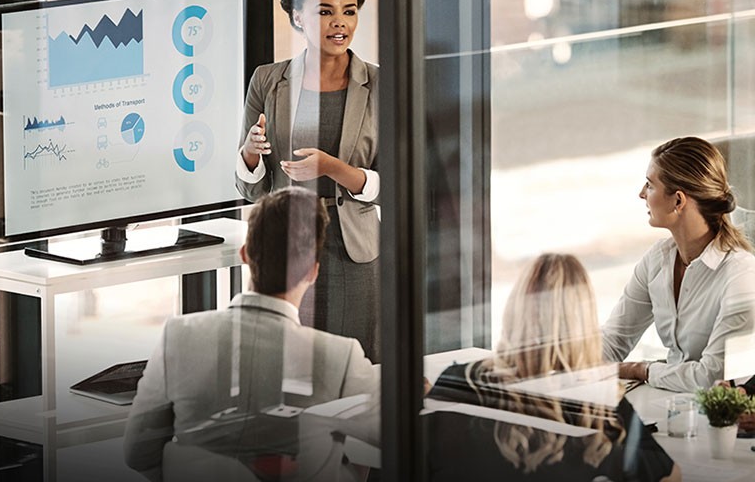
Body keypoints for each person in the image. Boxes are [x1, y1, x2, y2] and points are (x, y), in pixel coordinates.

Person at [123, 187, 379, 481]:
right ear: (312, 271)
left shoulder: (178, 336)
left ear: (245, 254)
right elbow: (397, 434)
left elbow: (138, 453)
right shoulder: (339, 357)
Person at [235, 0, 380, 361]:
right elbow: (251, 191)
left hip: (352, 250)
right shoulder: (268, 80)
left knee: (356, 364)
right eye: (324, 12)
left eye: (349, 11)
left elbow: (395, 184)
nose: (339, 23)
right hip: (286, 243)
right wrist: (249, 155)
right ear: (298, 16)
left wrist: (332, 168)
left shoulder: (380, 84)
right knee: (283, 366)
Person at [427, 254, 681, 482]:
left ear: (515, 310)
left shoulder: (461, 380)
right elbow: (669, 476)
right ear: (583, 325)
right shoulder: (601, 407)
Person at [602, 136, 755, 392]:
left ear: (678, 201)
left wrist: (642, 370)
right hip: (667, 403)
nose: (641, 194)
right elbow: (614, 339)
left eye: (650, 185)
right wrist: (561, 364)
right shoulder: (657, 260)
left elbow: (712, 378)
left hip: (721, 419)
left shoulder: (741, 275)